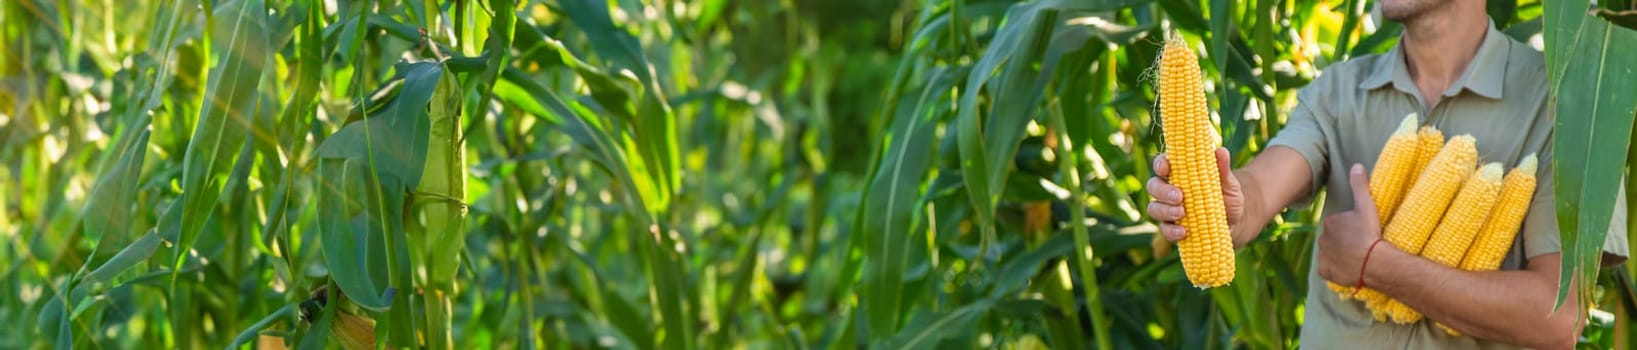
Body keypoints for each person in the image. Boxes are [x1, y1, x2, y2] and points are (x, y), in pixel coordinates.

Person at [1143, 0, 1629, 348]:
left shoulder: (1567, 105)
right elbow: (1255, 194)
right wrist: (1224, 203)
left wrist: (1377, 265)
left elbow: (1556, 320)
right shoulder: (1336, 92)